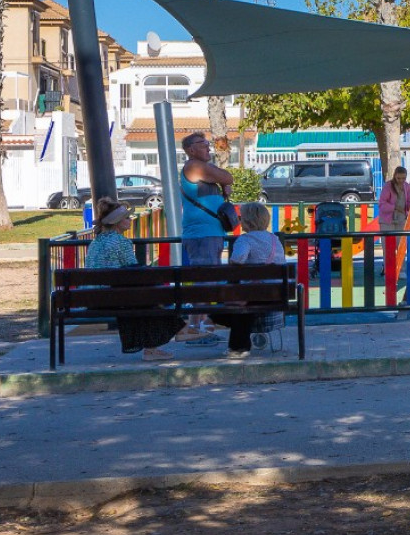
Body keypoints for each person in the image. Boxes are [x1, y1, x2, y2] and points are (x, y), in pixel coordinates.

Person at [83, 199, 185, 362]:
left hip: (94, 297)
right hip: (114, 298)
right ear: (117, 222)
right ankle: (158, 344)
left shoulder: (96, 242)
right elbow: (134, 274)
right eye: (127, 218)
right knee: (146, 299)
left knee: (142, 298)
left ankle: (155, 346)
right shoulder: (122, 242)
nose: (130, 220)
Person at [177, 131, 235, 343]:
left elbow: (225, 181)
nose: (208, 147)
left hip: (210, 232)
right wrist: (224, 182)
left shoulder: (202, 170)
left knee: (207, 279)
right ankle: (196, 327)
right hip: (202, 234)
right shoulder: (194, 166)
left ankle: (202, 323)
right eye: (203, 144)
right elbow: (227, 177)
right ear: (191, 149)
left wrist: (223, 185)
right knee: (204, 279)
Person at [215, 202, 287, 358]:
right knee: (242, 304)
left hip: (253, 294)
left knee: (228, 307)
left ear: (246, 221)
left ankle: (238, 348)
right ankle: (239, 347)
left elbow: (237, 259)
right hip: (275, 293)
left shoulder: (245, 239)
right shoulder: (275, 239)